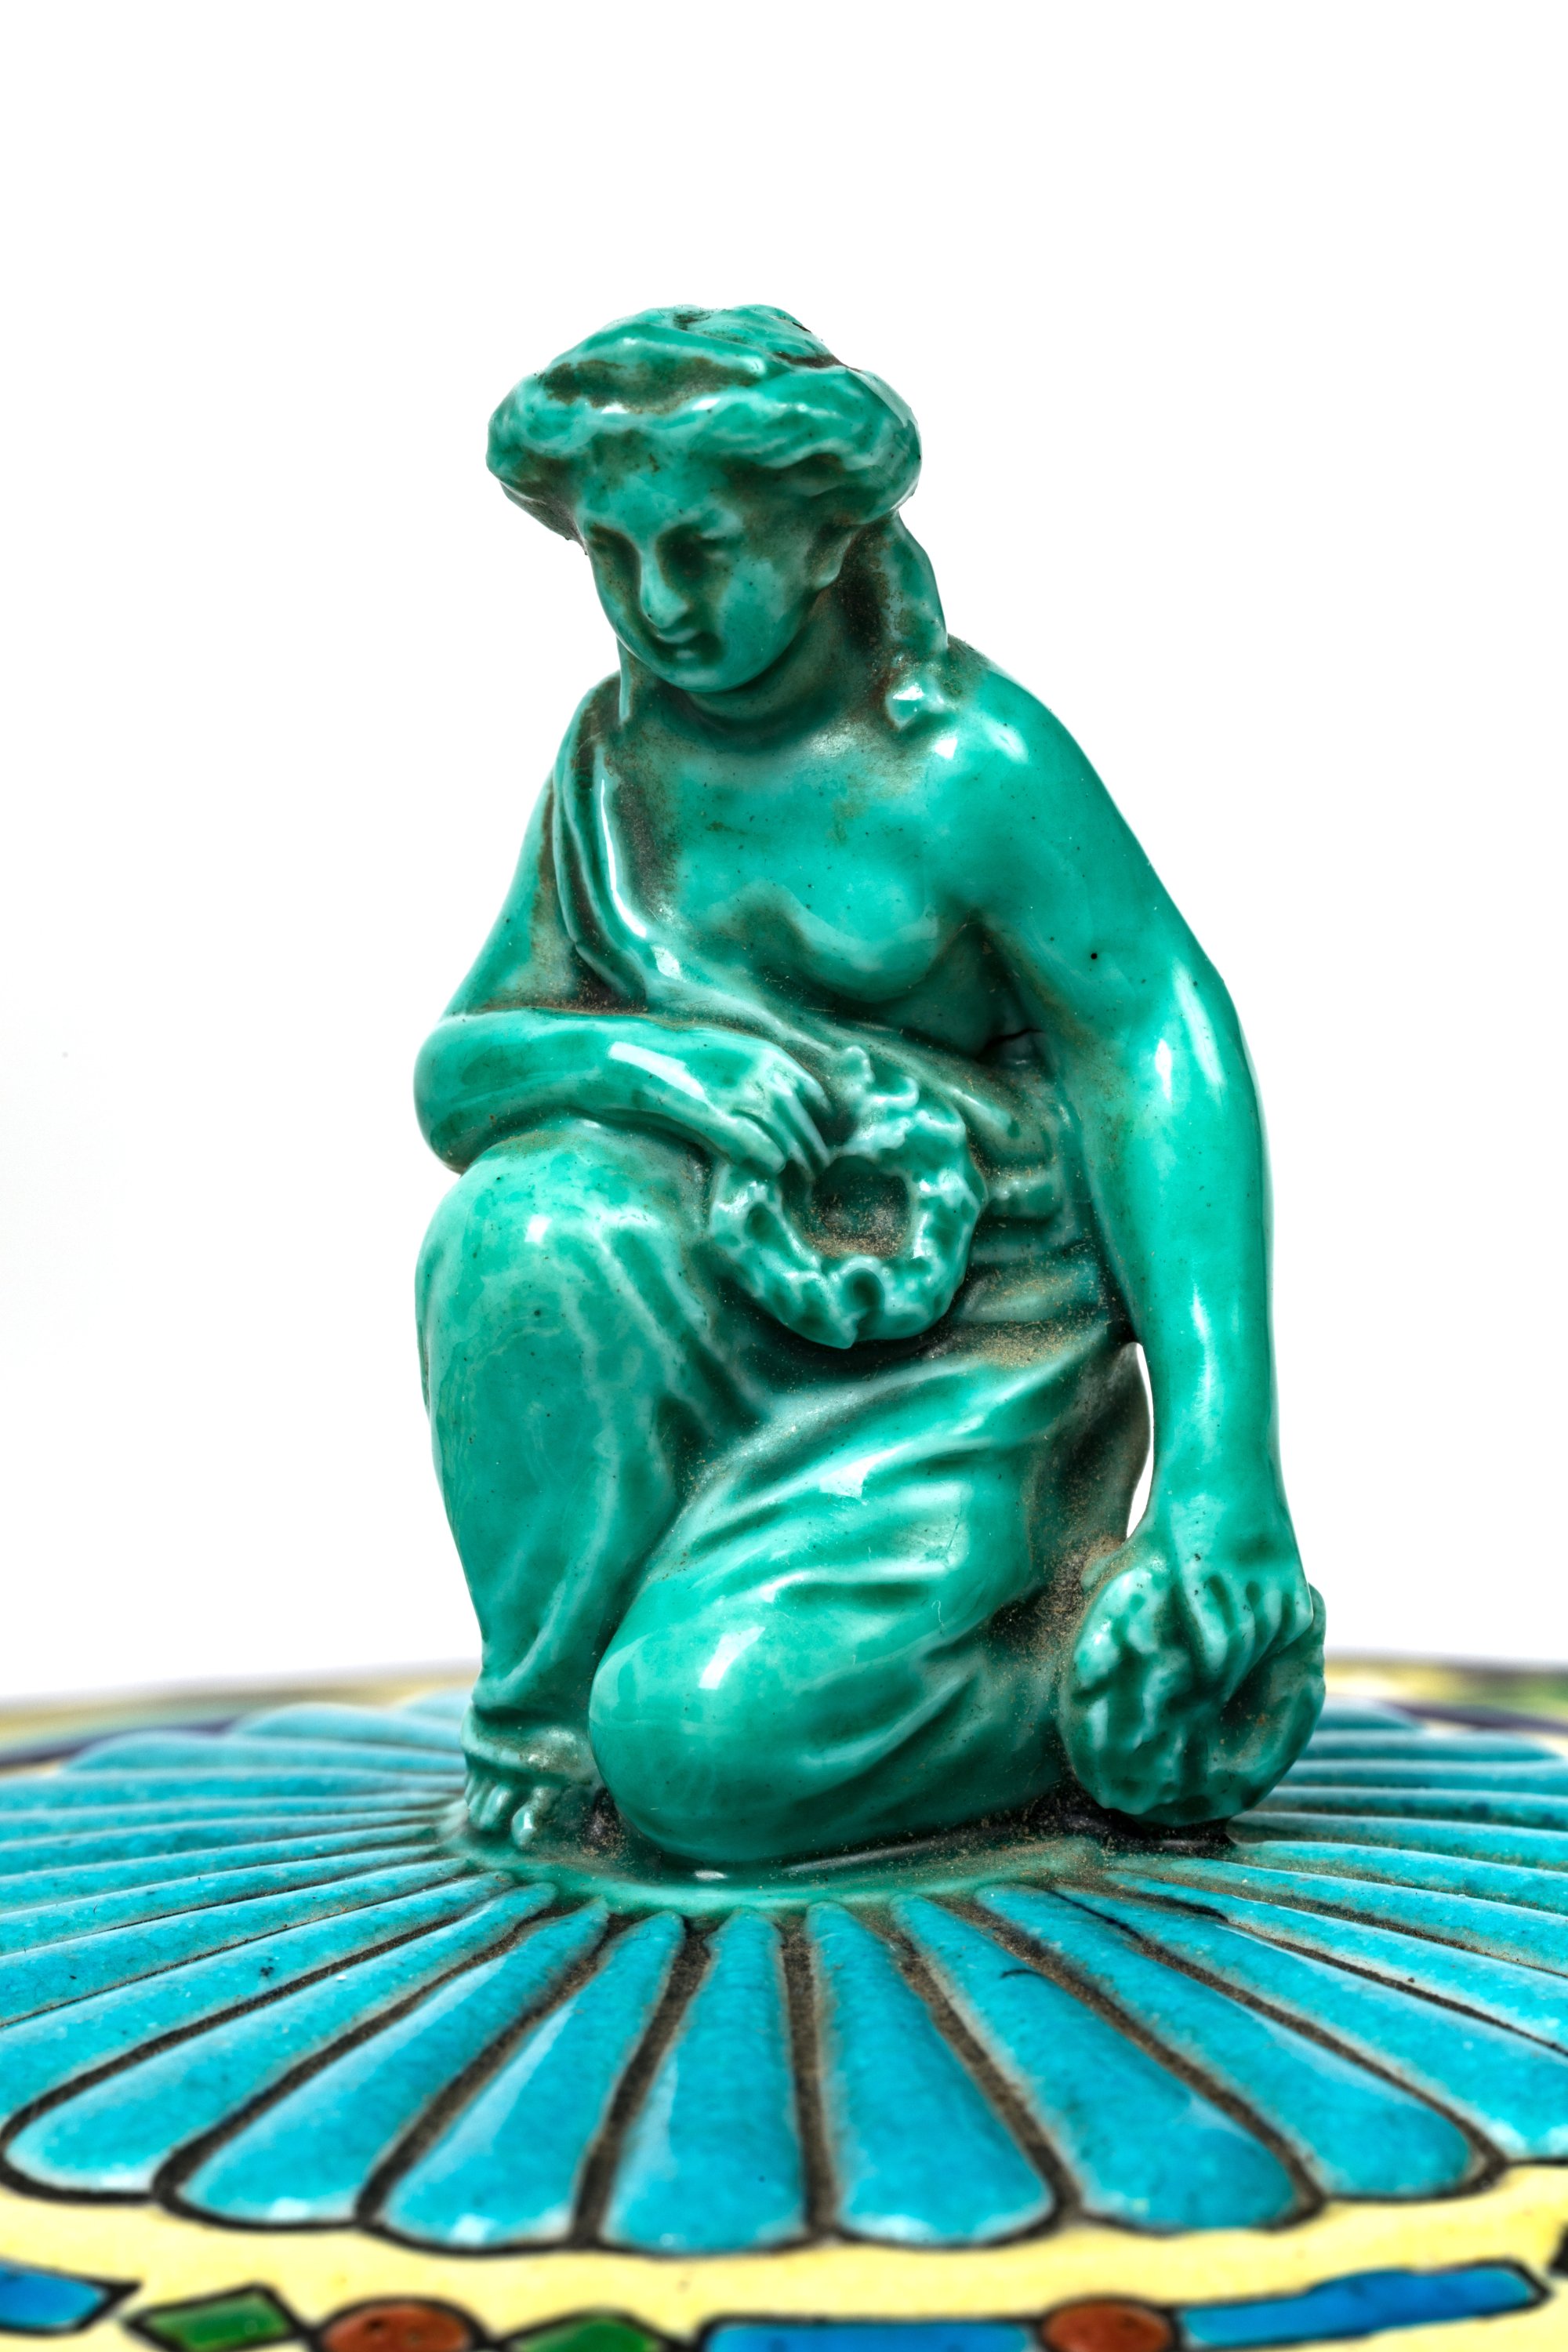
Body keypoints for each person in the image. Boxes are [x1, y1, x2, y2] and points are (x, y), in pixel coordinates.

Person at [415, 305, 1323, 1867]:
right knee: (522, 1226)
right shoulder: (613, 762)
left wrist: (1224, 1459)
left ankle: (1083, 1669)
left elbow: (1159, 1051)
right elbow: (466, 1072)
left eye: (701, 549)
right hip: (715, 1307)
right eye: (613, 555)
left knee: (707, 1759)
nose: (655, 604)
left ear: (824, 533)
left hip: (970, 1356)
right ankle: (552, 1724)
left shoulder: (969, 762)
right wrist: (667, 1062)